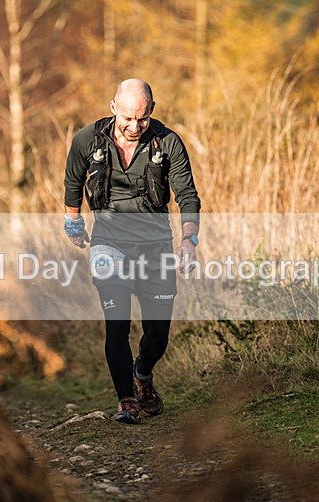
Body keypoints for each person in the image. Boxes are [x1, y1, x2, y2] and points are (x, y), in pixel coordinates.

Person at [63, 79, 201, 424]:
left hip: (155, 247)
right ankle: (126, 400)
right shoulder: (87, 140)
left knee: (157, 334)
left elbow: (187, 195)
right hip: (108, 244)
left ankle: (143, 373)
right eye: (127, 118)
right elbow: (72, 182)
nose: (134, 126)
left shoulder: (167, 142)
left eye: (141, 118)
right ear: (113, 109)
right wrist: (74, 224)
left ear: (151, 111)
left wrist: (188, 239)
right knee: (117, 325)